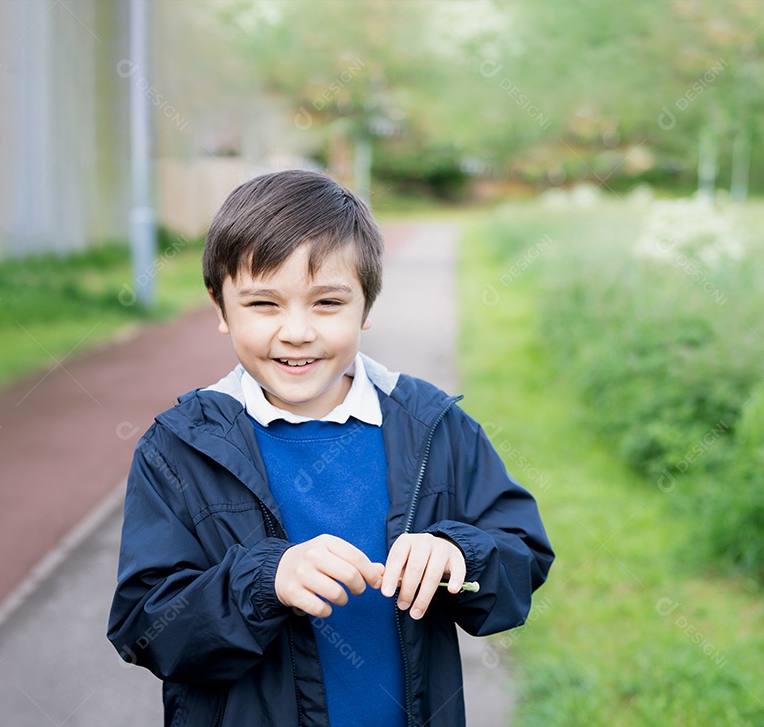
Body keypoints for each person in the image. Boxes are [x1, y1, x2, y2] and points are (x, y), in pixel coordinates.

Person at [107, 169, 553, 726]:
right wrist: (264, 582)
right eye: (264, 304)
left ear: (366, 307)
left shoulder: (434, 426)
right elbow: (146, 629)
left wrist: (462, 555)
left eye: (327, 303)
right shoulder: (178, 449)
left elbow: (521, 556)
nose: (296, 331)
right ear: (220, 309)